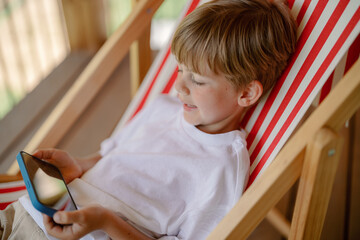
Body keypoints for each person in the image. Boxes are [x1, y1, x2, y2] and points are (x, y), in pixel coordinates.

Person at [0, 0, 297, 239]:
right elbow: (112, 155)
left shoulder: (221, 168)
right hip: (27, 211)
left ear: (246, 93)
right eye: (180, 69)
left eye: (196, 79)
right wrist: (79, 165)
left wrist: (105, 221)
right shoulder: (163, 106)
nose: (179, 86)